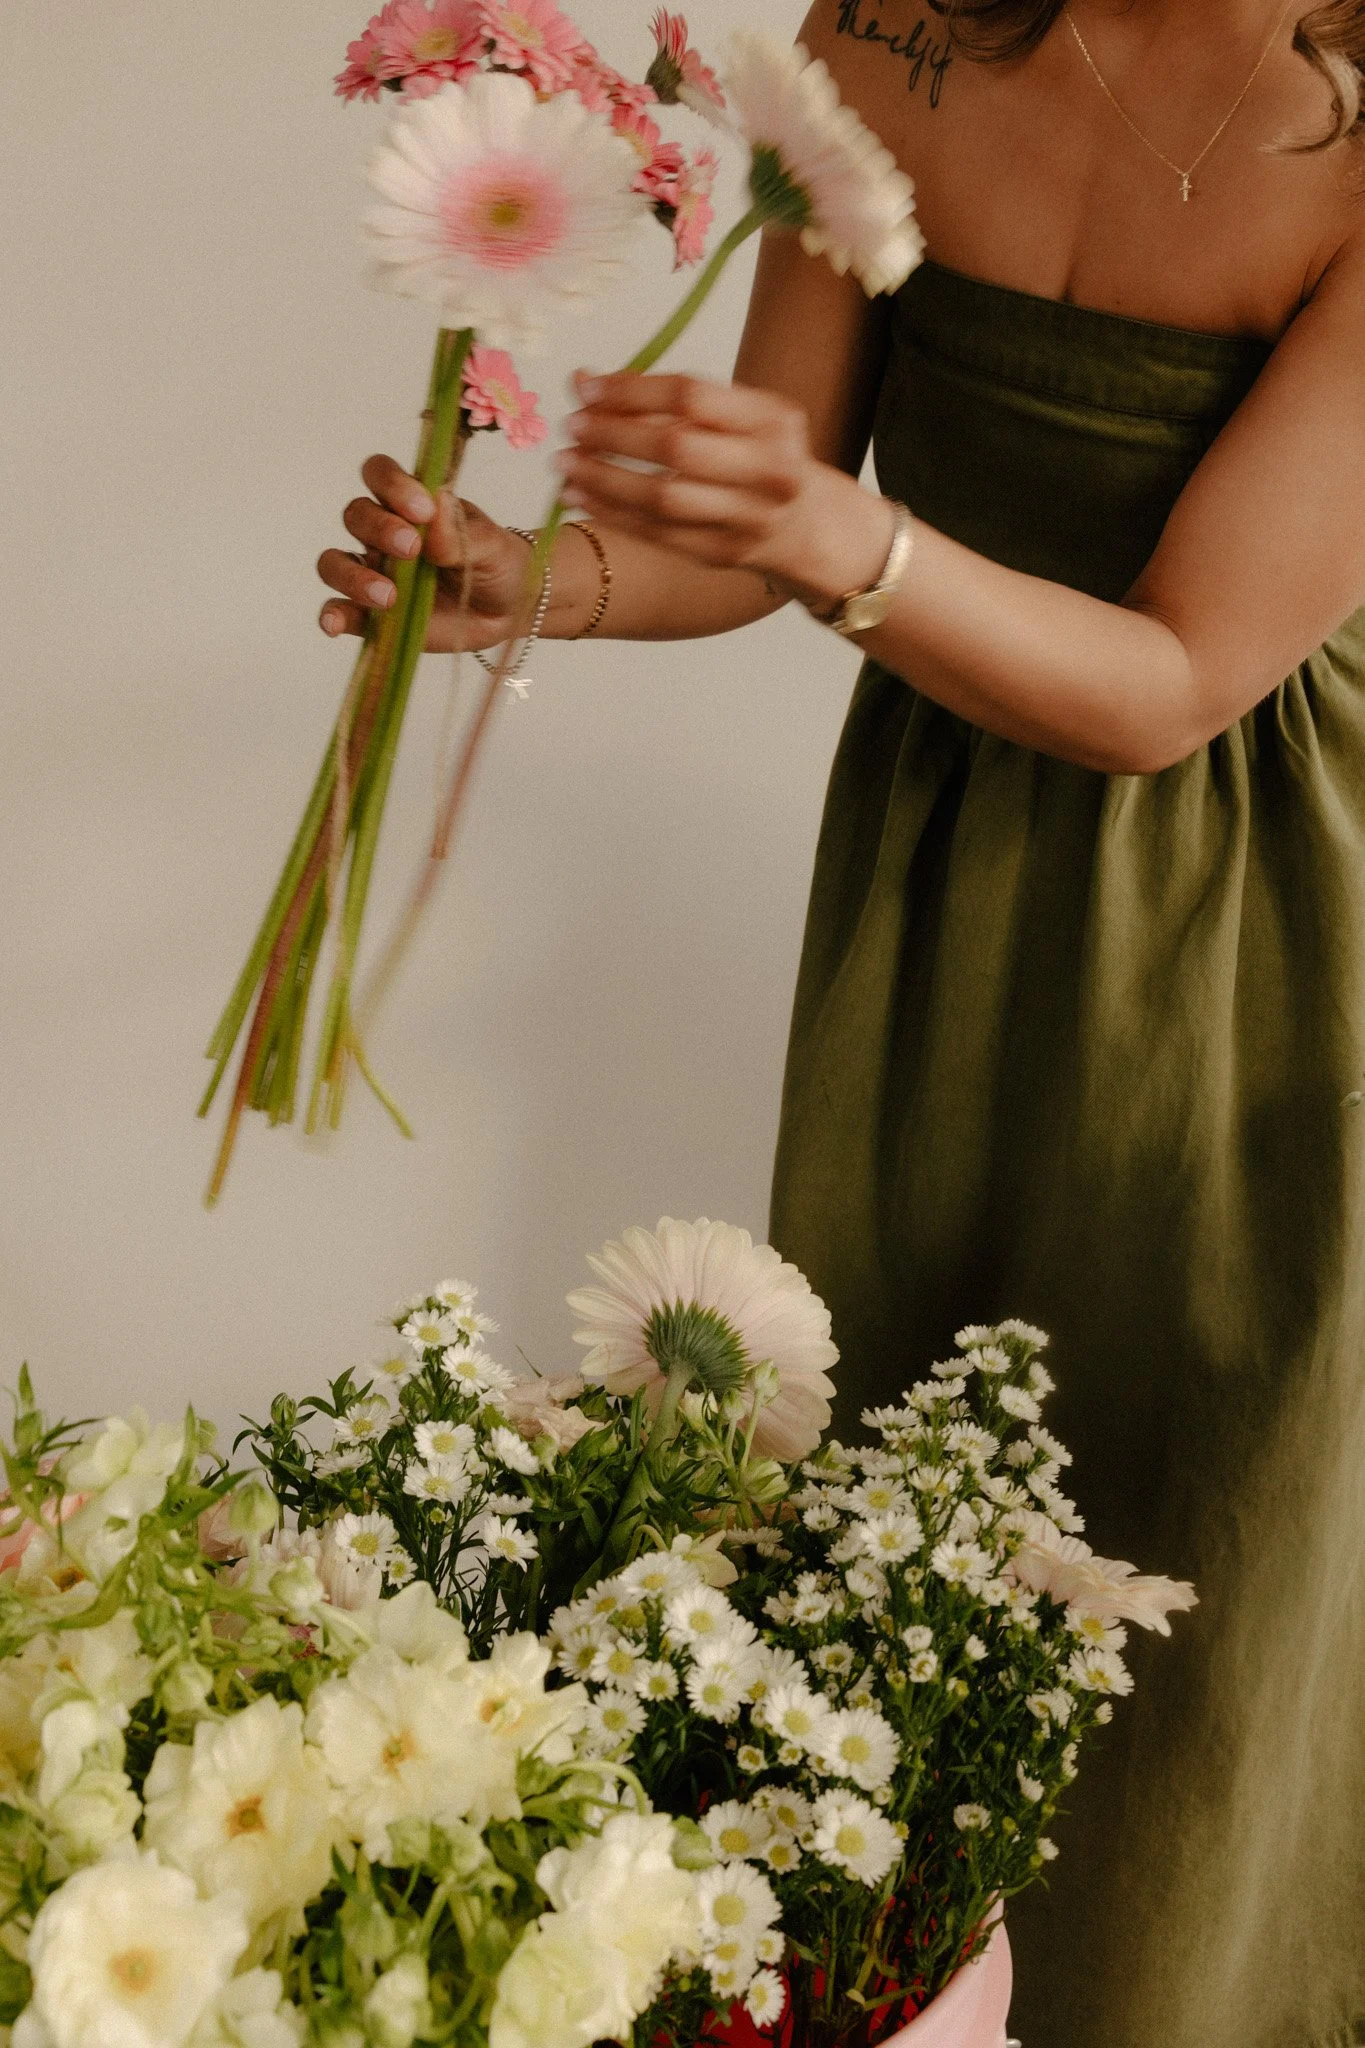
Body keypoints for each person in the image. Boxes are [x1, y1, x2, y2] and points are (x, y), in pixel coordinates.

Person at [315, 2, 1365, 2040]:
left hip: (1260, 935)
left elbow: (1170, 682)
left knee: (1201, 1562)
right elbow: (756, 515)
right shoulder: (888, 39)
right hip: (938, 883)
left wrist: (839, 545)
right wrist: (537, 577)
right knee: (886, 1527)